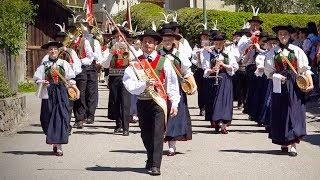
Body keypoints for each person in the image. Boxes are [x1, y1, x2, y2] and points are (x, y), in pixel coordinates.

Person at [123, 28, 180, 175]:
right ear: (141, 44)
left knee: (157, 134)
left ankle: (156, 165)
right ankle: (150, 157)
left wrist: (174, 103)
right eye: (144, 41)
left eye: (150, 41)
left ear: (156, 44)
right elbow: (128, 84)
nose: (147, 44)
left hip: (159, 102)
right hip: (142, 101)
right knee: (145, 134)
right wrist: (143, 85)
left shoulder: (164, 62)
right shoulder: (136, 63)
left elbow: (172, 84)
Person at [261, 25, 314, 156]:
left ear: (290, 35)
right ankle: (283, 140)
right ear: (278, 36)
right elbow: (268, 72)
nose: (282, 36)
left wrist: (310, 83)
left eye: (285, 34)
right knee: (281, 112)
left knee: (294, 112)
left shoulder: (297, 50)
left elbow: (305, 69)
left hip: (295, 85)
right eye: (280, 34)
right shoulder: (272, 53)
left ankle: (293, 144)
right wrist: (276, 76)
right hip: (279, 85)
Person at [33, 41, 79, 156]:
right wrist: (41, 81)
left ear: (58, 51)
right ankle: (53, 141)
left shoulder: (64, 63)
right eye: (51, 49)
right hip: (48, 92)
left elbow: (71, 78)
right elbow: (36, 78)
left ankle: (59, 146)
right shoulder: (44, 65)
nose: (53, 51)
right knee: (47, 117)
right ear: (48, 52)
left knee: (61, 117)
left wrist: (75, 88)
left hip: (61, 92)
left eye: (55, 49)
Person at [158, 27, 196, 156]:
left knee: (174, 117)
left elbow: (187, 72)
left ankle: (172, 145)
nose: (167, 42)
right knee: (162, 117)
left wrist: (192, 84)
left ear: (174, 41)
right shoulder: (158, 55)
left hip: (177, 91)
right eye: (164, 40)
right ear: (161, 41)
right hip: (161, 90)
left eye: (169, 39)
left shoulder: (180, 55)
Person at [100, 26, 139, 136]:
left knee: (125, 102)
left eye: (121, 36)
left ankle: (126, 127)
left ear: (125, 37)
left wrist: (129, 54)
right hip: (114, 77)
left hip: (126, 77)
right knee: (115, 101)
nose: (119, 38)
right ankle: (118, 125)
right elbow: (105, 64)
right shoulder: (110, 48)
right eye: (117, 36)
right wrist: (112, 53)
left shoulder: (131, 47)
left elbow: (137, 60)